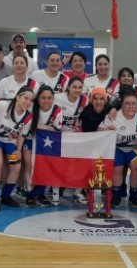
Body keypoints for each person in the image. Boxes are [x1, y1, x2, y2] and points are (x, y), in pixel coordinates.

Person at [0, 86, 34, 213]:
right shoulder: (2, 105)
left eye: (30, 100)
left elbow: (22, 135)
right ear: (18, 97)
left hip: (10, 142)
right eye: (25, 98)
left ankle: (6, 196)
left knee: (16, 167)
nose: (27, 102)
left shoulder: (28, 118)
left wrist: (18, 150)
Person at [99, 89, 137, 208]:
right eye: (127, 103)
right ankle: (116, 195)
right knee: (117, 169)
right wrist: (106, 130)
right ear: (122, 105)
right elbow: (97, 131)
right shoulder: (113, 115)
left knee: (136, 168)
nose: (131, 106)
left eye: (133, 103)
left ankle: (134, 196)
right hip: (117, 147)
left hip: (134, 147)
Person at [24, 85, 63, 207]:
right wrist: (45, 128)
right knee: (29, 165)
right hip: (29, 140)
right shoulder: (30, 107)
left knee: (43, 165)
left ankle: (41, 194)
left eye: (49, 98)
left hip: (46, 142)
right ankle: (29, 194)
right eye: (43, 98)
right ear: (38, 98)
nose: (46, 101)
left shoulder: (57, 111)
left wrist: (38, 126)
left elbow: (57, 130)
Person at [52, 77, 89, 205]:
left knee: (79, 164)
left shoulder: (85, 100)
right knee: (58, 164)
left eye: (80, 87)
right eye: (74, 87)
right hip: (58, 136)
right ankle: (55, 191)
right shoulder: (58, 98)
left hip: (76, 138)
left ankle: (77, 191)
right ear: (68, 87)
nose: (77, 90)